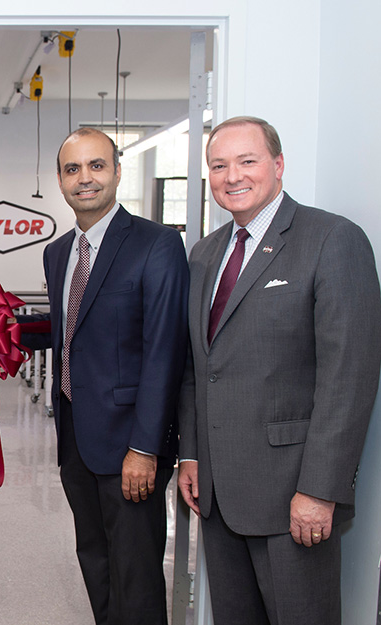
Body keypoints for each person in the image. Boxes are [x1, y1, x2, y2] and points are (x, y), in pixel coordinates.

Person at [177, 116, 381, 625]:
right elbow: (197, 367)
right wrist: (192, 454)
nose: (232, 176)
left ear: (278, 165)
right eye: (218, 165)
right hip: (218, 494)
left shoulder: (332, 239)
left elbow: (349, 377)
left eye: (247, 161)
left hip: (293, 495)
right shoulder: (204, 253)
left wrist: (320, 489)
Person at [21, 127, 189, 624]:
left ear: (117, 171)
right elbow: (73, 331)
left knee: (135, 577)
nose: (85, 179)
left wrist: (146, 448)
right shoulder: (58, 254)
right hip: (75, 438)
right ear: (59, 179)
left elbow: (165, 352)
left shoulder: (157, 245)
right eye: (73, 169)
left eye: (96, 166)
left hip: (129, 447)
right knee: (94, 561)